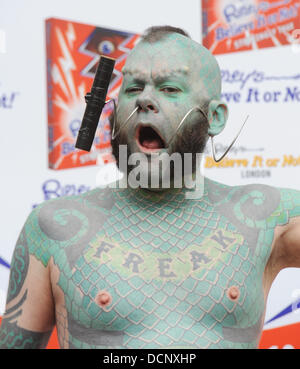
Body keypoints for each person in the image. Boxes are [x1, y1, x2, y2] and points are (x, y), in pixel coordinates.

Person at [1, 25, 300, 349]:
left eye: (169, 88)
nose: (145, 99)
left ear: (214, 117)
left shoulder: (268, 218)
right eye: (132, 89)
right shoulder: (53, 227)